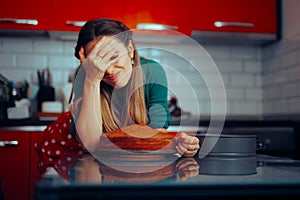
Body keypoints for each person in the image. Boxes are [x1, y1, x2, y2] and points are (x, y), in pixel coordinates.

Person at [35, 18, 199, 174]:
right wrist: (92, 79)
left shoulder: (151, 72)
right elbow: (90, 145)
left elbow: (155, 133)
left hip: (114, 157)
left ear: (129, 49)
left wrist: (179, 144)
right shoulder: (86, 76)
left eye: (113, 57)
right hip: (67, 147)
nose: (109, 70)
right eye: (98, 62)